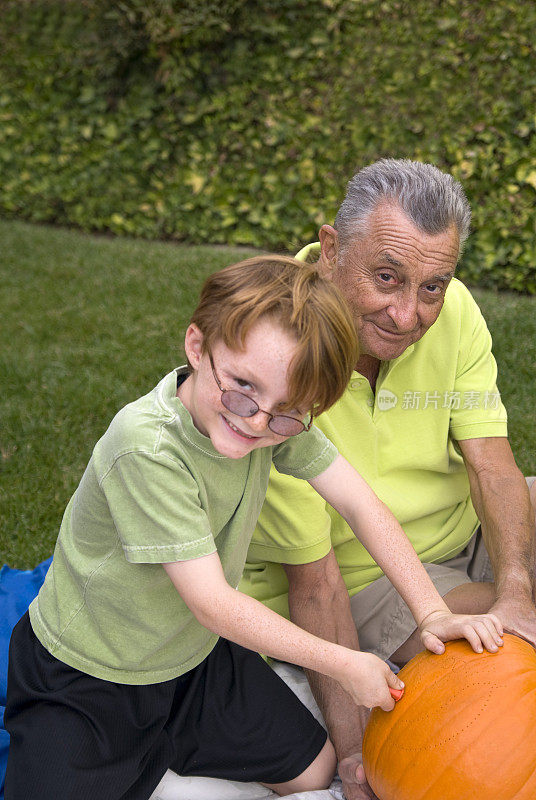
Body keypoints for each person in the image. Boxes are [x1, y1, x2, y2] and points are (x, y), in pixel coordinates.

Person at [4, 254, 503, 800]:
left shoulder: (273, 414)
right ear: (197, 347)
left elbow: (362, 505)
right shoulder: (146, 447)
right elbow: (213, 602)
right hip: (93, 677)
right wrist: (344, 663)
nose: (257, 421)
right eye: (242, 387)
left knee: (316, 771)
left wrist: (433, 611)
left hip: (191, 660)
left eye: (287, 411)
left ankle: (164, 763)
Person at [239, 161, 536, 800]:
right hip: (362, 576)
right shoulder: (278, 347)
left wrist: (516, 587)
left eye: (432, 286)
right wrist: (352, 756)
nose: (408, 314)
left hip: (461, 529)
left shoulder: (453, 311)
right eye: (387, 279)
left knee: (514, 604)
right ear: (333, 249)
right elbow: (314, 582)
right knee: (502, 642)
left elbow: (491, 460)